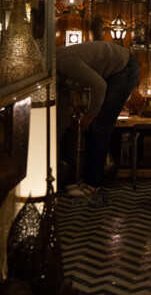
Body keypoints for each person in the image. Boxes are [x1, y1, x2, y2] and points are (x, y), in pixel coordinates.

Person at [56, 41, 140, 196]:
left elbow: (99, 86)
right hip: (118, 70)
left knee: (99, 125)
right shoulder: (58, 69)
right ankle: (89, 180)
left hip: (125, 68)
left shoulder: (63, 63)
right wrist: (63, 129)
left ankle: (93, 184)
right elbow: (64, 103)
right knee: (93, 126)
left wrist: (90, 115)